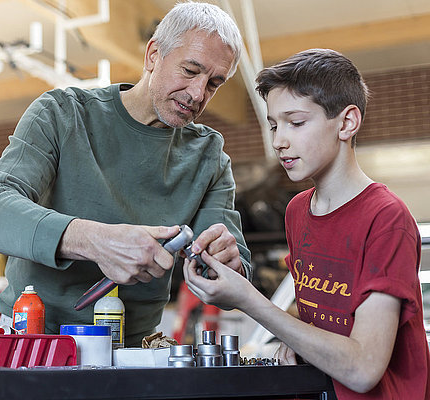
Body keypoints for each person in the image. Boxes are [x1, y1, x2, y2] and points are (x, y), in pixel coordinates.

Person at [0, 1, 252, 347]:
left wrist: (229, 264)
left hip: (134, 352)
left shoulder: (209, 155)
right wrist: (96, 241)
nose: (198, 94)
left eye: (214, 83)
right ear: (153, 55)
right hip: (32, 340)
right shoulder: (61, 114)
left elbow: (234, 282)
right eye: (190, 71)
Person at [184, 48, 430, 399]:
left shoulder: (386, 218)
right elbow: (321, 301)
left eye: (296, 123)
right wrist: (293, 331)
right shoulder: (299, 211)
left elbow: (363, 369)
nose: (278, 141)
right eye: (273, 125)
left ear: (346, 123)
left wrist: (249, 300)